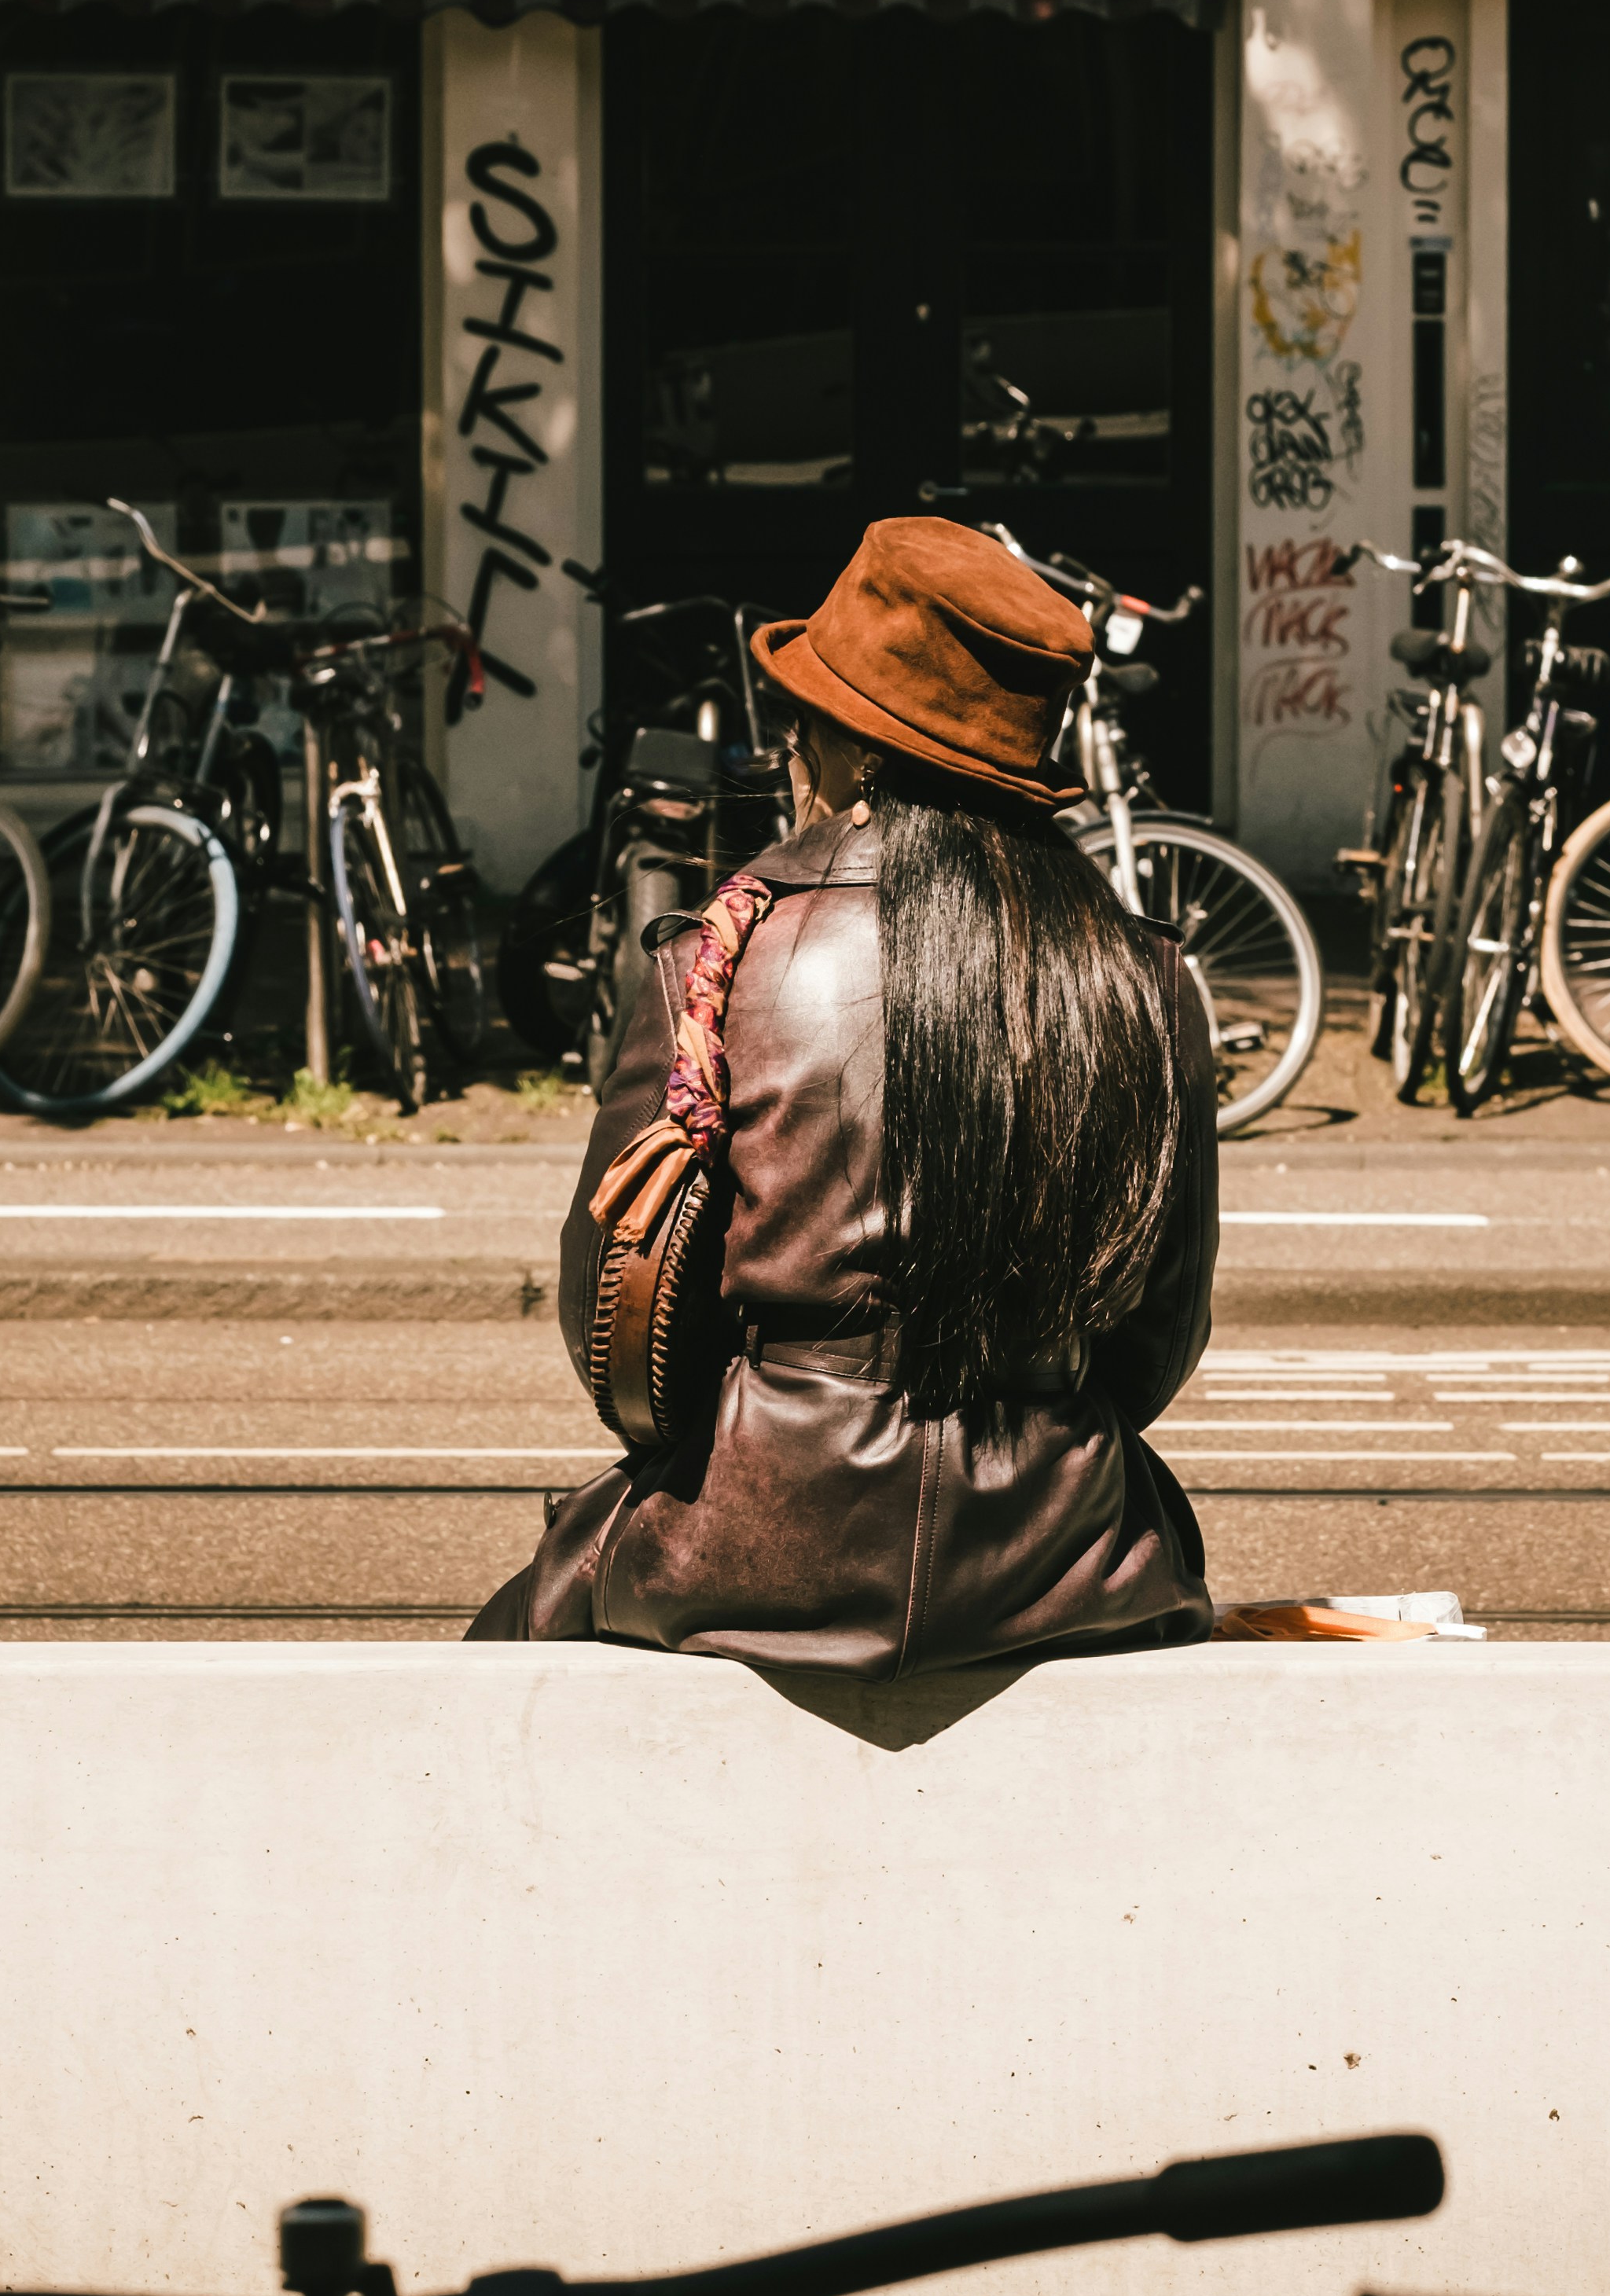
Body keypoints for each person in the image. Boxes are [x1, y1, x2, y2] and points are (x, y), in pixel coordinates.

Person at [468, 513, 1218, 1681]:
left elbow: (620, 1344)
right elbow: (1153, 1348)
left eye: (804, 719)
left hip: (750, 1537)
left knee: (492, 1664)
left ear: (850, 745)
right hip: (1067, 1554)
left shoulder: (720, 954)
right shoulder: (1145, 977)